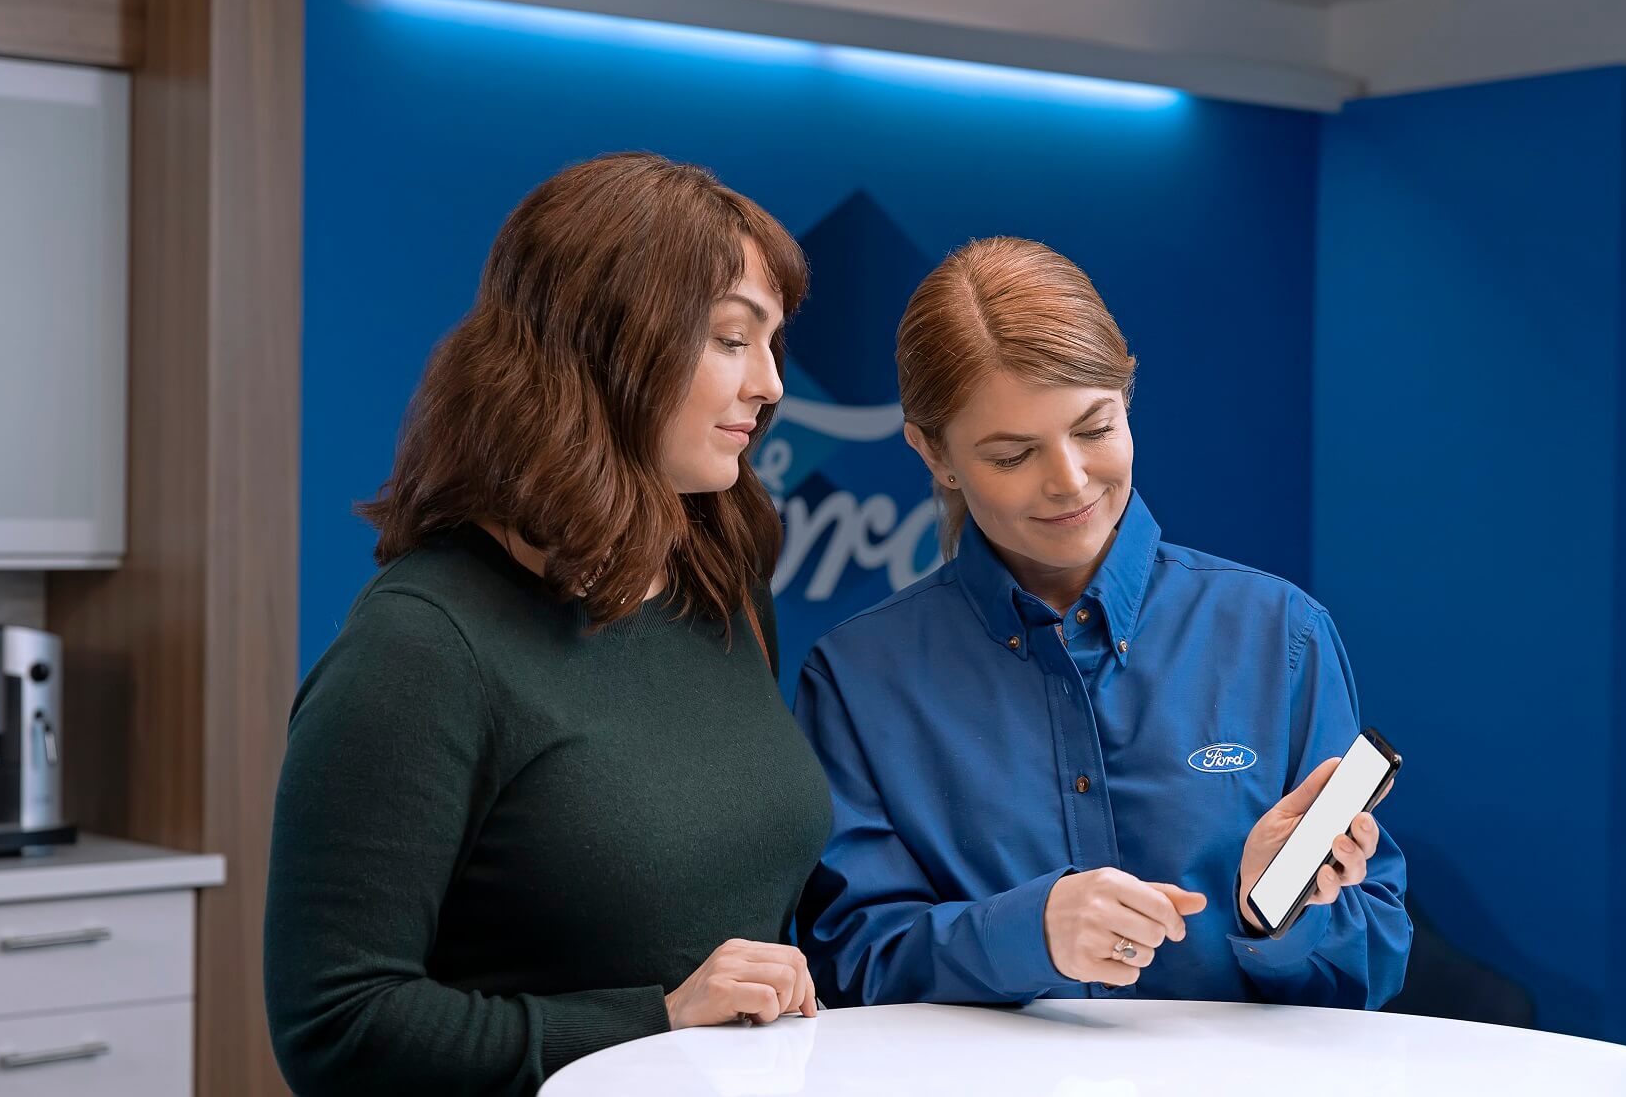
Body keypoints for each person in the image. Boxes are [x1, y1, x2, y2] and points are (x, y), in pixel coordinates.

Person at [264, 152, 833, 1096]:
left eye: (772, 344)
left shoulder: (722, 585)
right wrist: (649, 1024)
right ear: (607, 346)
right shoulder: (422, 648)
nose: (770, 383)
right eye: (733, 339)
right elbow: (336, 1026)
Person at [795, 237, 1410, 1011]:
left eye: (1094, 428)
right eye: (1013, 454)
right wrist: (1028, 933)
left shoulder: (1280, 634)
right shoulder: (857, 678)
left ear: (1127, 398)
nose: (1070, 480)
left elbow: (1375, 958)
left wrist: (1275, 912)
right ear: (933, 452)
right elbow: (846, 963)